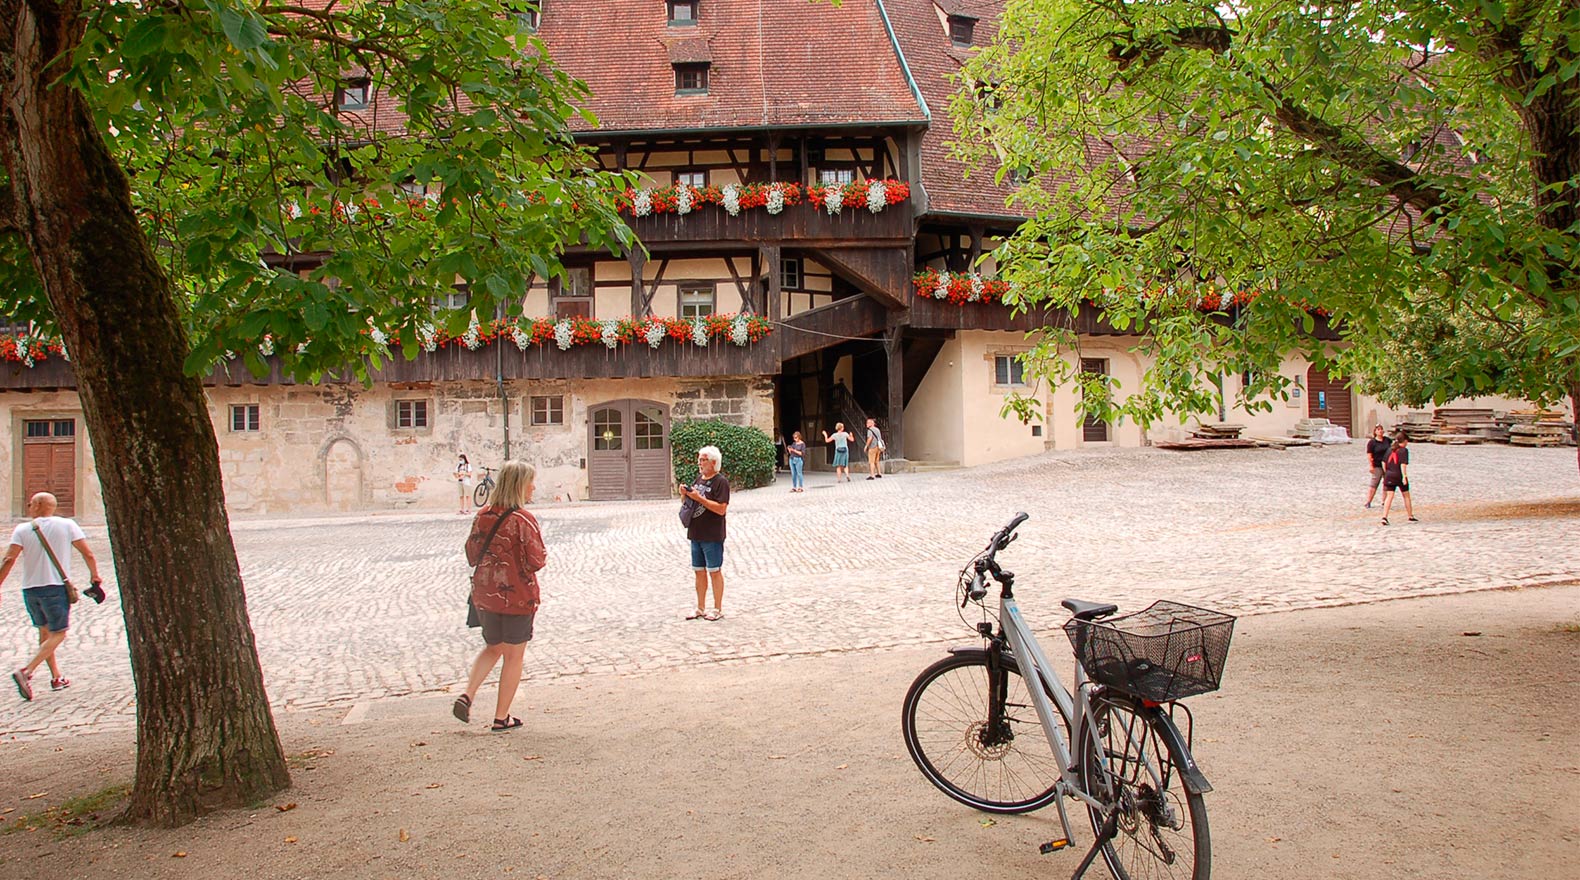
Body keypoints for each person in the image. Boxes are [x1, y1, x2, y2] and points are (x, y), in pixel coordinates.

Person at [453, 460, 546, 731]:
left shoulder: (482, 515)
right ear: (520, 485)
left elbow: (471, 554)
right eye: (531, 481)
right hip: (517, 596)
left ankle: (467, 693)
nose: (534, 487)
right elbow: (537, 559)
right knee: (514, 656)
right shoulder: (523, 519)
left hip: (485, 595)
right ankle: (500, 717)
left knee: (493, 647)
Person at [2, 492, 103, 701]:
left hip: (30, 589)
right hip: (55, 588)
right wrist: (94, 575)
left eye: (30, 503)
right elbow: (88, 553)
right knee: (59, 634)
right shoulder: (67, 525)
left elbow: (9, 559)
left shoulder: (22, 529)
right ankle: (27, 671)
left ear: (37, 505)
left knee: (46, 634)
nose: (29, 506)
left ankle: (56, 677)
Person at [681, 445, 730, 621]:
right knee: (698, 571)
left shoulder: (720, 482)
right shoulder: (698, 479)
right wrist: (684, 495)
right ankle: (700, 607)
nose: (700, 463)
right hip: (696, 532)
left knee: (714, 570)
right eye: (699, 459)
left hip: (712, 534)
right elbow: (690, 503)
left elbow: (721, 509)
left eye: (703, 460)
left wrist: (698, 497)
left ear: (713, 462)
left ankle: (717, 608)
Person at [1379, 433, 1418, 526]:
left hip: (1389, 475)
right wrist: (1404, 476)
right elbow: (1402, 464)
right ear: (1404, 441)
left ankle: (1384, 517)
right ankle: (1410, 515)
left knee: (1389, 496)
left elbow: (1383, 462)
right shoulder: (1404, 451)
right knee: (1406, 495)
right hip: (1399, 475)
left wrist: (1387, 472)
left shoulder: (1390, 449)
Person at [1363, 425, 1391, 509]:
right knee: (1374, 483)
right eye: (1378, 429)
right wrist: (1371, 465)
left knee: (1386, 484)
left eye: (1381, 429)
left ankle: (1384, 501)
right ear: (1375, 432)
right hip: (1377, 465)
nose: (1380, 431)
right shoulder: (1372, 442)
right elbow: (1369, 454)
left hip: (1387, 464)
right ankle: (1368, 501)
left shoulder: (1387, 440)